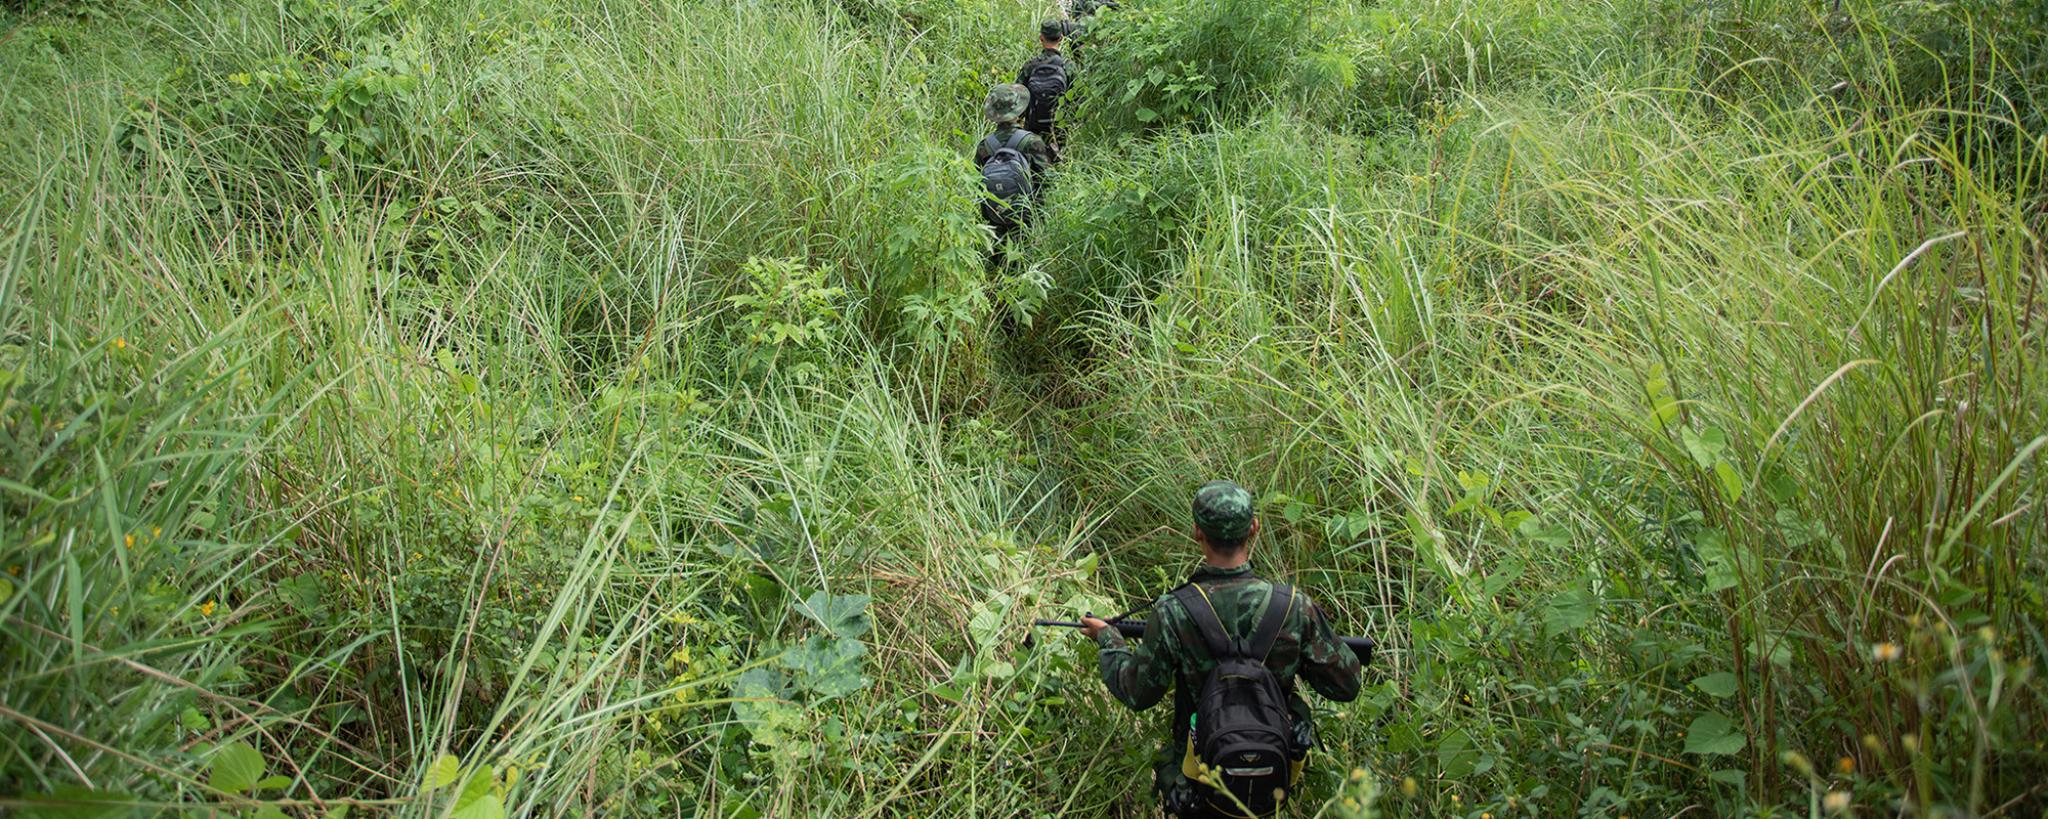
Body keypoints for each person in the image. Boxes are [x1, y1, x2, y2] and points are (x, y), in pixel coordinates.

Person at [1080, 480, 1361, 818]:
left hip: (1198, 777)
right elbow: (1345, 686)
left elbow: (1137, 692)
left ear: (1197, 532)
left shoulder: (1173, 610)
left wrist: (1109, 640)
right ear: (1254, 528)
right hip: (1271, 774)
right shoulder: (1294, 608)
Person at [975, 84, 1055, 250]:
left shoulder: (984, 146)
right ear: (1018, 111)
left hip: (995, 217)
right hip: (1026, 218)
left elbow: (976, 184)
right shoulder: (1032, 141)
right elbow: (1045, 181)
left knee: (998, 257)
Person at [1016, 20, 1074, 155]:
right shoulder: (1068, 66)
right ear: (1061, 38)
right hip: (1059, 129)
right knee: (1059, 162)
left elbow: (1018, 97)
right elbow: (1077, 98)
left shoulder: (1030, 66)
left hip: (1032, 128)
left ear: (1041, 38)